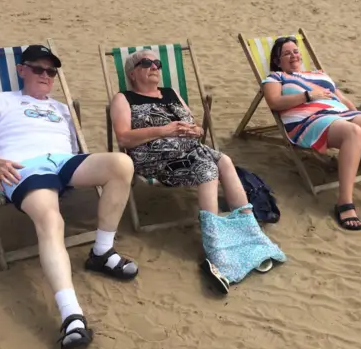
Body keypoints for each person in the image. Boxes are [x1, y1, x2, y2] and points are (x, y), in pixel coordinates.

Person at [0, 45, 139, 349]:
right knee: (51, 220)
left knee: (122, 165)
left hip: (64, 161)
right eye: (38, 69)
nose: (45, 75)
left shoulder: (62, 108)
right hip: (24, 167)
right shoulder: (1, 101)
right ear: (21, 70)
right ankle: (72, 316)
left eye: (51, 71)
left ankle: (101, 251)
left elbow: (73, 146)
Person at [109, 50, 285, 291]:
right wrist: (164, 130)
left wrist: (196, 131)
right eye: (146, 63)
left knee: (224, 160)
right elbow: (123, 138)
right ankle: (216, 250)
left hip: (191, 150)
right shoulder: (124, 98)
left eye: (157, 63)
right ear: (132, 73)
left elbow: (196, 127)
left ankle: (250, 234)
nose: (154, 67)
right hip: (155, 157)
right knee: (207, 169)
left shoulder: (171, 93)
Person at [262, 36, 361, 231]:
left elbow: (343, 99)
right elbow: (274, 103)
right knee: (353, 131)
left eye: (296, 51)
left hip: (339, 113)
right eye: (287, 53)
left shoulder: (319, 74)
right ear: (278, 61)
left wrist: (357, 113)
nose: (293, 55)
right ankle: (344, 202)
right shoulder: (276, 78)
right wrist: (308, 95)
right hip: (310, 120)